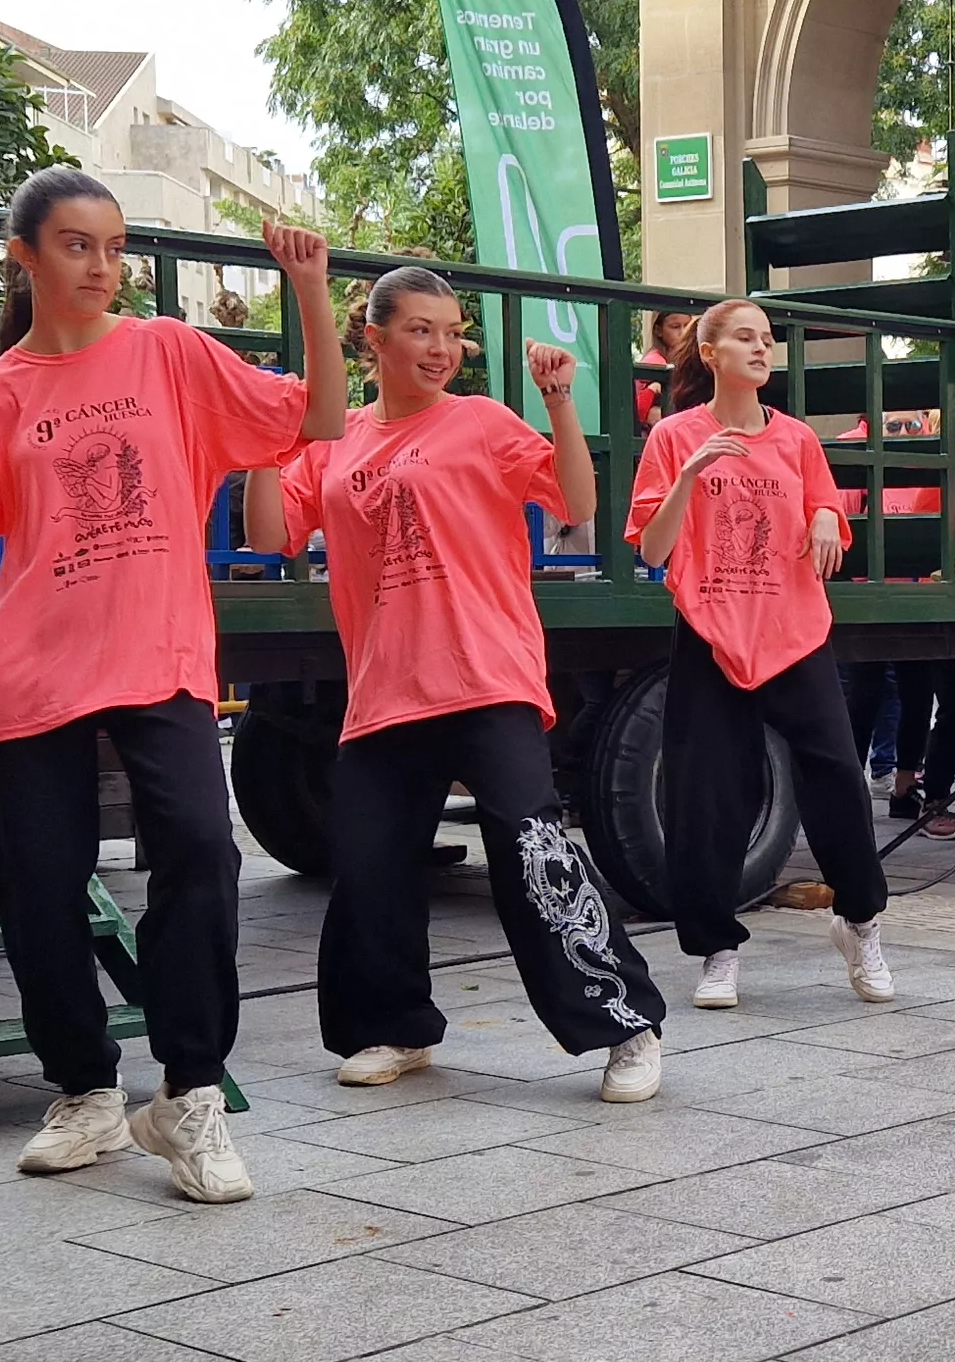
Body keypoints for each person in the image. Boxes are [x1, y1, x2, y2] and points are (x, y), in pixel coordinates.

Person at [0, 170, 342, 1206]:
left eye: (112, 246)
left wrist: (306, 290)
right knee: (36, 888)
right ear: (28, 256)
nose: (100, 266)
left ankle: (188, 1094)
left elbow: (315, 420)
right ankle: (86, 1089)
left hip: (157, 652)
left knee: (198, 848)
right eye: (77, 246)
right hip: (29, 664)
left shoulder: (168, 354)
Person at [249, 269, 671, 1100]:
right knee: (369, 866)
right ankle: (393, 1027)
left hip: (487, 673)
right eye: (420, 331)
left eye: (452, 333)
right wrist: (267, 441)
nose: (442, 349)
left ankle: (624, 1022)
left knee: (532, 855)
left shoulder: (480, 421)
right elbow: (271, 533)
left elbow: (577, 504)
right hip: (384, 688)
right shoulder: (332, 440)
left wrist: (558, 403)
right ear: (374, 340)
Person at [624, 296, 899, 1015]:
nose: (760, 349)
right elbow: (653, 548)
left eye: (767, 339)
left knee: (839, 777)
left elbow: (826, 505)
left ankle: (861, 921)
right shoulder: (675, 435)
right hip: (712, 632)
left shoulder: (799, 439)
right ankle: (717, 951)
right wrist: (690, 475)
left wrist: (821, 517)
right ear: (709, 354)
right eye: (744, 338)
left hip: (794, 631)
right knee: (708, 796)